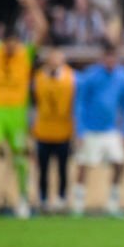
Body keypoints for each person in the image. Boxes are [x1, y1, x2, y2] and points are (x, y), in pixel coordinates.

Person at [0, 0, 49, 218]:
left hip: (17, 110)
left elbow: (42, 30)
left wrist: (33, 5)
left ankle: (23, 199)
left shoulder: (25, 53)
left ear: (17, 42)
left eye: (13, 43)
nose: (9, 47)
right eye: (7, 43)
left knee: (20, 156)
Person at [72, 42, 124, 217]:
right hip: (90, 129)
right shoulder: (90, 75)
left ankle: (113, 203)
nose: (110, 60)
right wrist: (80, 130)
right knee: (84, 165)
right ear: (102, 57)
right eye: (108, 57)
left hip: (111, 130)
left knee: (120, 163)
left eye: (113, 57)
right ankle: (78, 204)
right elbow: (80, 103)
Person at [32, 48, 76, 214]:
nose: (55, 62)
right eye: (52, 58)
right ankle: (43, 199)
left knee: (62, 169)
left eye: (58, 59)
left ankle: (61, 199)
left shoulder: (70, 77)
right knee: (43, 169)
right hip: (43, 131)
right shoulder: (39, 76)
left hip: (63, 131)